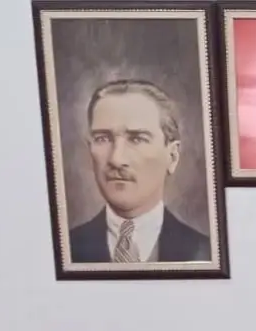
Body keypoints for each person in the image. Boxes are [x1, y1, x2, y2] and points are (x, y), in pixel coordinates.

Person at [67, 79, 211, 264]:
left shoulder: (206, 253)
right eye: (103, 138)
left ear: (172, 156)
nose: (116, 159)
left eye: (137, 139)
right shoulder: (64, 250)